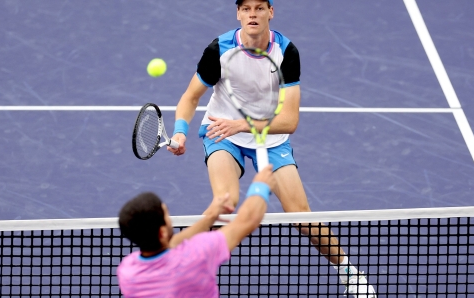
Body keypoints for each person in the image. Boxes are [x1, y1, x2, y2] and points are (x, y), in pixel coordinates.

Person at [168, 0, 376, 296]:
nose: (253, 14)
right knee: (225, 205)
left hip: (268, 135)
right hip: (222, 132)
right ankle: (183, 269)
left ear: (270, 12)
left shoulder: (286, 52)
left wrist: (242, 124)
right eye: (246, 8)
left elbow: (289, 121)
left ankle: (348, 271)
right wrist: (180, 132)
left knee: (302, 218)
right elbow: (190, 98)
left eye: (259, 8)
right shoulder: (219, 50)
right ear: (238, 13)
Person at [117, 165, 276, 297]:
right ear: (162, 232)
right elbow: (249, 219)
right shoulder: (197, 255)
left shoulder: (128, 272)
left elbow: (169, 246)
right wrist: (261, 186)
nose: (169, 217)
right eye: (166, 215)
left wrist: (209, 218)